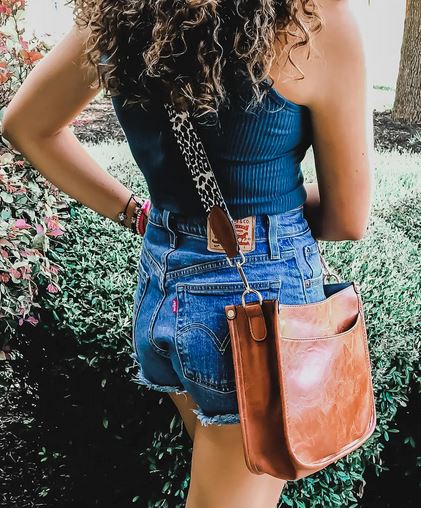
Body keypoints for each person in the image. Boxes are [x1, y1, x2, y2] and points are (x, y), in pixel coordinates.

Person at [1, 0, 374, 506]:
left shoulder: (119, 14)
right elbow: (346, 219)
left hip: (164, 288)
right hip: (253, 311)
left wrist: (134, 212)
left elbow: (26, 126)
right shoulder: (311, 20)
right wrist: (270, 215)